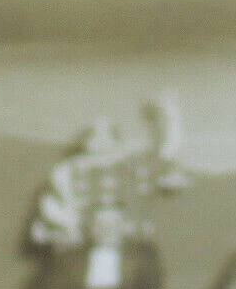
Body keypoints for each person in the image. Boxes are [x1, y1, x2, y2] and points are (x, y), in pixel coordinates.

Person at [26, 94, 190, 253]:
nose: (100, 139)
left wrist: (166, 115)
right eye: (95, 133)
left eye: (107, 133)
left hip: (124, 245)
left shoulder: (129, 167)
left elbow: (165, 153)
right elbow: (48, 220)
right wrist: (69, 229)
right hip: (82, 245)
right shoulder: (67, 171)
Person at [30, 204, 163, 289]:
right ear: (90, 227)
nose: (107, 230)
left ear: (124, 226)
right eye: (100, 224)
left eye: (114, 224)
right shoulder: (70, 257)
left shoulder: (142, 255)